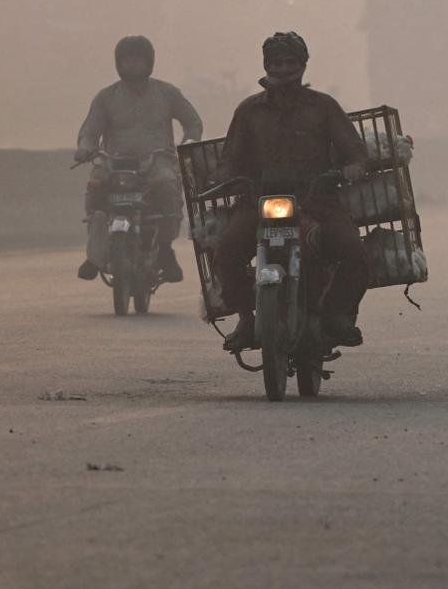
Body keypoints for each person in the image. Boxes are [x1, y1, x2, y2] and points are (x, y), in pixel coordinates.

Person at [211, 32, 372, 353]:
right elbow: (229, 158)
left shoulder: (324, 107)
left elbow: (355, 152)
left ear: (303, 65)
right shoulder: (249, 111)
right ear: (266, 65)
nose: (283, 69)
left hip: (317, 200)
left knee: (355, 252)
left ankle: (338, 315)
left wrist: (353, 166)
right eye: (276, 62)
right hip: (258, 202)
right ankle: (246, 317)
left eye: (290, 62)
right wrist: (225, 177)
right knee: (226, 250)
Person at [75, 35, 202, 283]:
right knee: (95, 188)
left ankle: (165, 250)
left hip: (157, 163)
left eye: (137, 61)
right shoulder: (106, 97)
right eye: (126, 61)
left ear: (149, 63)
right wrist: (85, 148)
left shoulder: (167, 93)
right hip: (113, 163)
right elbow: (90, 132)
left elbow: (192, 122)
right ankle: (94, 256)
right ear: (118, 64)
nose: (132, 66)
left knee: (167, 184)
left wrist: (189, 143)